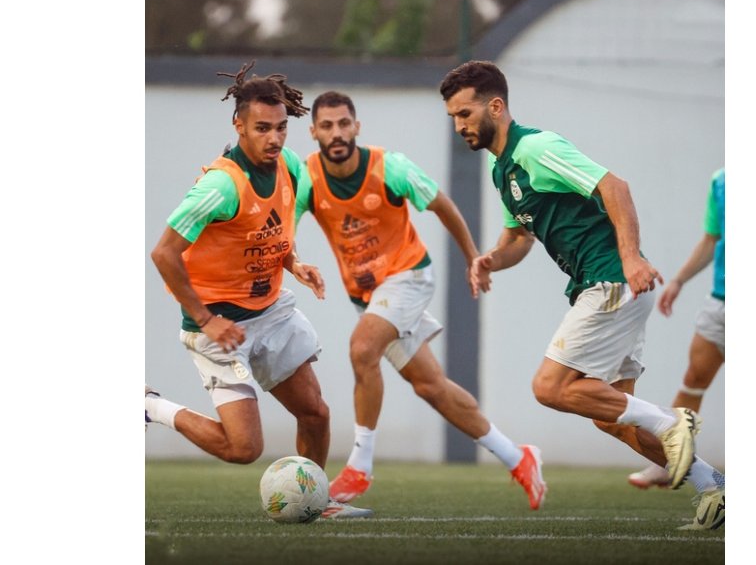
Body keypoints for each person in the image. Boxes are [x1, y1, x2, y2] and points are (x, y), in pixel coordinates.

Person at [439, 60, 724, 530]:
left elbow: (614, 186)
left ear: (495, 106)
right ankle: (714, 486)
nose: (459, 125)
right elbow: (519, 240)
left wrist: (631, 258)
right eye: (452, 117)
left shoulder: (535, 147)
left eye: (465, 114)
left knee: (549, 387)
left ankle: (673, 424)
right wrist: (490, 258)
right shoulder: (502, 169)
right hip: (607, 286)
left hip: (611, 280)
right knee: (613, 419)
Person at [294, 90, 547, 510]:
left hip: (409, 276)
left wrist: (473, 259)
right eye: (326, 126)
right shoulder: (306, 176)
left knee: (362, 348)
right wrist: (295, 262)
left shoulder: (389, 166)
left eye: (343, 124)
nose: (336, 133)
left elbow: (442, 205)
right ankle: (517, 457)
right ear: (314, 132)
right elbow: (283, 222)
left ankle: (360, 465)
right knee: (431, 387)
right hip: (368, 295)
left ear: (357, 127)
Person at [146, 61, 371, 520]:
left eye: (281, 128)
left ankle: (316, 502)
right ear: (239, 125)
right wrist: (207, 319)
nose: (274, 138)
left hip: (271, 311)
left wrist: (294, 263)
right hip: (218, 325)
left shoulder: (286, 163)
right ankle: (148, 406)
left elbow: (268, 227)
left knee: (316, 414)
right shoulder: (220, 186)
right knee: (243, 448)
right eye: (262, 128)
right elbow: (164, 254)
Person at [628, 168, 725, 498]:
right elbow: (712, 239)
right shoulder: (721, 180)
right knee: (694, 377)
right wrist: (679, 281)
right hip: (721, 301)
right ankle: (667, 461)